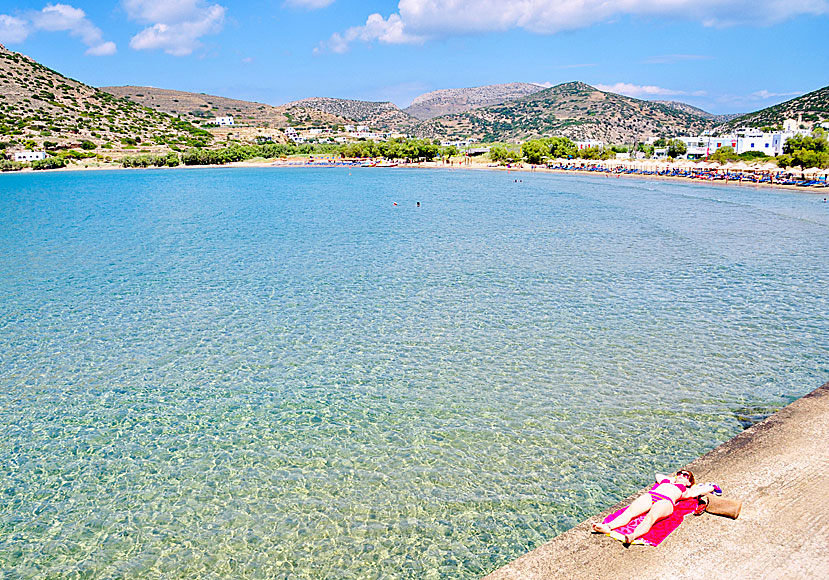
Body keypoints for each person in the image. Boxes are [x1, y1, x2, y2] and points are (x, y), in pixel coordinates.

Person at [592, 470, 716, 544]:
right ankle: (608, 527)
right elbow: (658, 475)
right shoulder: (666, 481)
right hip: (652, 495)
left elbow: (707, 488)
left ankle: (632, 536)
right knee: (630, 512)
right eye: (680, 473)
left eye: (685, 475)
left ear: (689, 482)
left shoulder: (685, 490)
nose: (681, 475)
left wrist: (693, 486)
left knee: (650, 518)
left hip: (666, 501)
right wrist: (674, 479)